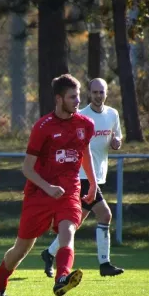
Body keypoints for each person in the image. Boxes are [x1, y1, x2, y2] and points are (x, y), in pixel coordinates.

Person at [0, 74, 97, 296]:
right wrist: (48, 188)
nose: (78, 101)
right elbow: (27, 168)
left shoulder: (85, 125)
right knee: (21, 250)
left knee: (68, 231)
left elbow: (85, 154)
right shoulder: (43, 127)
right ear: (59, 99)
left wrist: (92, 182)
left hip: (69, 190)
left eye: (79, 96)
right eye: (72, 97)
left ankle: (62, 278)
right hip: (39, 194)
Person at [41, 78, 124, 278]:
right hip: (81, 175)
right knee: (105, 215)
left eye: (101, 92)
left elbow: (118, 138)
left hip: (97, 175)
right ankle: (104, 264)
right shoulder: (80, 116)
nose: (98, 96)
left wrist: (116, 142)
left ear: (106, 93)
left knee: (74, 222)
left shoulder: (113, 114)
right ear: (89, 94)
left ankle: (48, 253)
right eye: (94, 92)